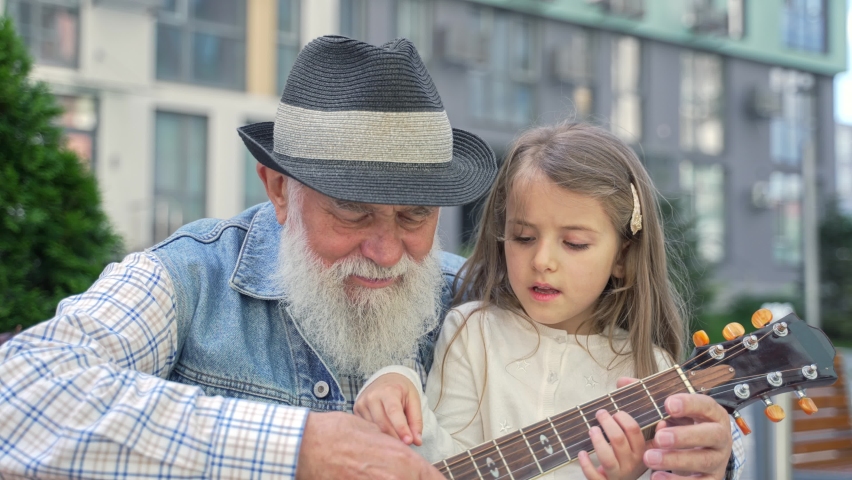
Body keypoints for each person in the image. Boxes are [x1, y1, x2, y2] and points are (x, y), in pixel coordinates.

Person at [0, 36, 498, 479]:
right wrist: (298, 448)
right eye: (352, 212)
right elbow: (19, 393)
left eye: (414, 217)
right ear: (279, 189)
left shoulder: (474, 296)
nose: (387, 253)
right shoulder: (191, 277)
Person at [353, 122, 745, 480]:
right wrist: (397, 380)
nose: (542, 261)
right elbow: (444, 466)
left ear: (623, 257)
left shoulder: (652, 371)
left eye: (574, 244)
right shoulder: (472, 332)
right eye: (523, 237)